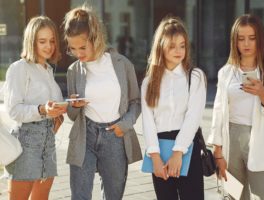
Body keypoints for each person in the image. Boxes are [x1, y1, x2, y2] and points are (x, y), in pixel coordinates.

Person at [62, 6, 141, 200]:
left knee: (114, 196)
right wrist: (74, 106)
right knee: (79, 196)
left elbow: (135, 101)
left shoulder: (122, 64)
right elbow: (73, 115)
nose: (78, 53)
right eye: (72, 48)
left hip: (115, 136)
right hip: (84, 136)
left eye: (82, 47)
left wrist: (124, 125)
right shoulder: (74, 70)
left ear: (95, 38)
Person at [141, 16, 206, 200]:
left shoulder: (195, 77)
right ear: (161, 46)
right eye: (172, 45)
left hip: (187, 148)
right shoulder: (149, 82)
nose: (178, 50)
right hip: (159, 151)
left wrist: (178, 153)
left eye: (182, 45)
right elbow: (147, 121)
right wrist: (154, 158)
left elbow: (193, 117)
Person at [4, 16, 67, 200]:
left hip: (48, 142)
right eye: (42, 41)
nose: (49, 46)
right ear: (32, 41)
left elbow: (52, 107)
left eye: (52, 41)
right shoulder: (19, 68)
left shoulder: (47, 69)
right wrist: (41, 110)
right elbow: (13, 110)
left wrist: (64, 108)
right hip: (26, 142)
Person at [208, 14, 264, 200]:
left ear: (260, 39)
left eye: (252, 38)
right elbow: (218, 112)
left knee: (263, 195)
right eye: (241, 38)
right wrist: (217, 151)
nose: (246, 44)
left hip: (262, 140)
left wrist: (263, 95)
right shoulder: (226, 73)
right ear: (234, 42)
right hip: (231, 141)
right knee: (234, 195)